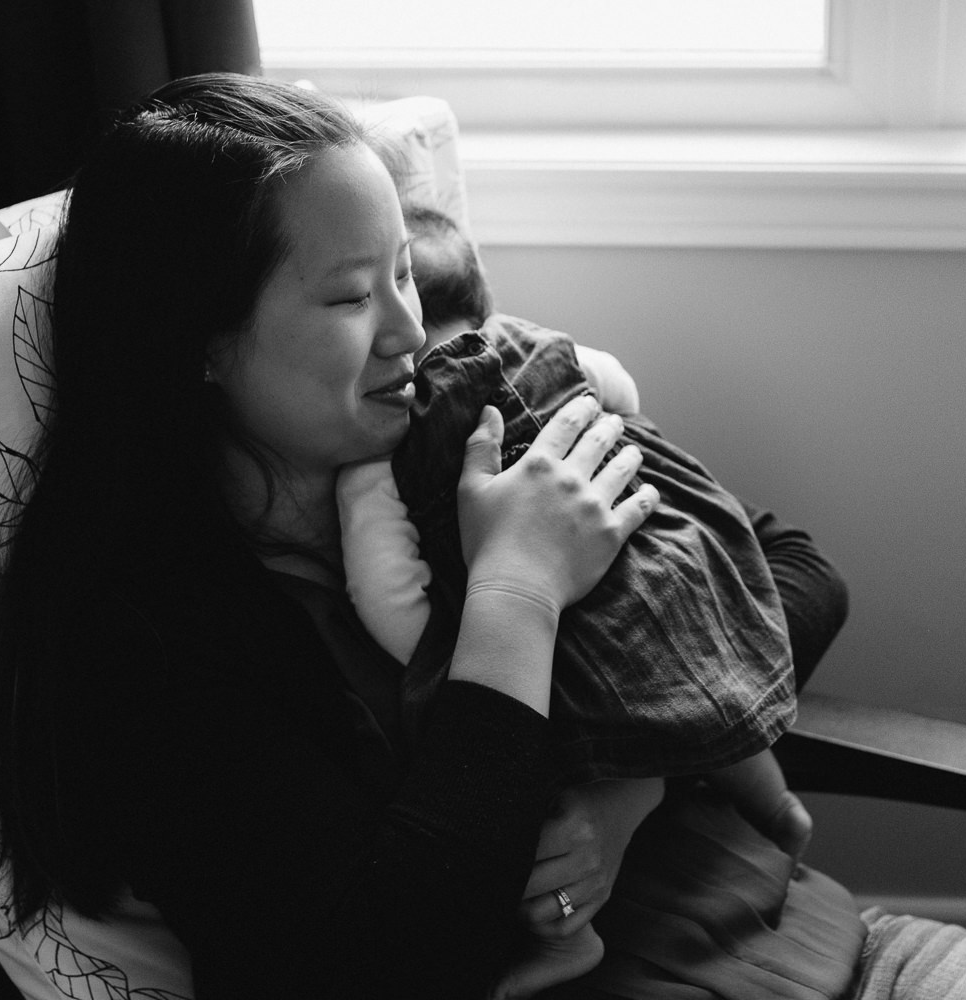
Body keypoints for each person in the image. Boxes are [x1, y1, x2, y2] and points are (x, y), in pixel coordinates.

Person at [0, 72, 966, 1000]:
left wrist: (629, 780)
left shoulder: (463, 428)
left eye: (405, 269)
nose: (409, 328)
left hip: (831, 950)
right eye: (349, 298)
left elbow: (790, 570)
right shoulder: (154, 638)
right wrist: (515, 595)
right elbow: (389, 955)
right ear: (198, 342)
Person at [337, 204, 815, 994]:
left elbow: (383, 582)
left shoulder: (384, 437)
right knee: (714, 677)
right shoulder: (540, 347)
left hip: (563, 638)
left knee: (550, 748)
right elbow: (618, 381)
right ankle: (780, 809)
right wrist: (611, 420)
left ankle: (566, 940)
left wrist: (441, 642)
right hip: (665, 577)